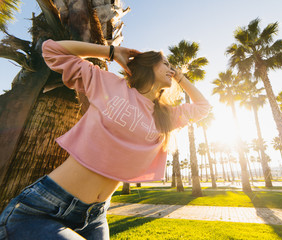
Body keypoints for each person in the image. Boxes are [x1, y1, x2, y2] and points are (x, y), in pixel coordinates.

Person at [0, 39, 210, 240]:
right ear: (148, 65)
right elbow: (52, 50)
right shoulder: (110, 85)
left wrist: (181, 78)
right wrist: (111, 52)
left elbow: (203, 108)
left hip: (95, 216)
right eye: (165, 63)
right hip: (42, 208)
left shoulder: (165, 117)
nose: (170, 69)